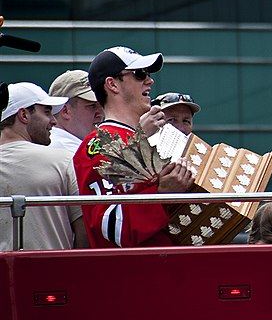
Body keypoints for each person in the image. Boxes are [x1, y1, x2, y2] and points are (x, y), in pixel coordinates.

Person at [73, 46, 195, 248]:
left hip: (171, 265)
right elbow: (111, 229)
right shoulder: (98, 143)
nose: (150, 80)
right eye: (139, 74)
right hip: (134, 272)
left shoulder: (155, 136)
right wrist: (162, 193)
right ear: (112, 84)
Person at [0, 82, 89, 250]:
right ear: (24, 115)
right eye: (47, 112)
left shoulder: (63, 160)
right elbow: (84, 232)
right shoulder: (63, 160)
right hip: (54, 273)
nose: (54, 121)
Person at [48, 70, 104, 153]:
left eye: (102, 105)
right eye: (92, 106)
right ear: (65, 111)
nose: (101, 113)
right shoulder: (67, 150)